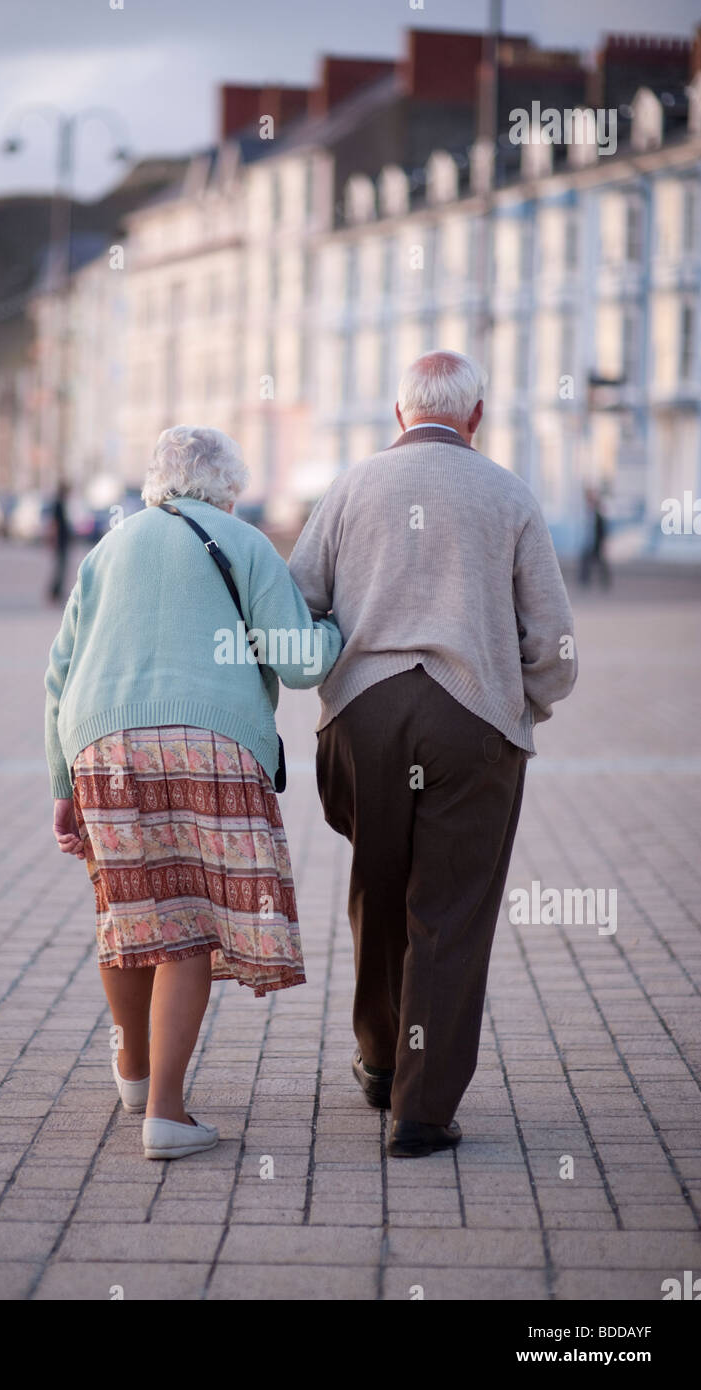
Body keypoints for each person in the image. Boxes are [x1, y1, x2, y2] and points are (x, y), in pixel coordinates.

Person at [289, 350, 578, 1158]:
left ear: (397, 413)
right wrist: (524, 705)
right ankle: (418, 1110)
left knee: (378, 889)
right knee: (447, 911)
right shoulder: (508, 493)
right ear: (475, 416)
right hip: (468, 719)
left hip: (362, 719)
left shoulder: (348, 487)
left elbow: (297, 603)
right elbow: (551, 640)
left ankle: (379, 1062)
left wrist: (334, 681)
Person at [44, 426, 341, 1160]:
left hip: (100, 742)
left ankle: (135, 1075)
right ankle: (168, 1118)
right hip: (206, 739)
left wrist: (61, 784)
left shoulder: (108, 547)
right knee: (186, 920)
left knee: (128, 907)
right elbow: (301, 664)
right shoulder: (242, 542)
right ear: (227, 487)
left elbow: (58, 671)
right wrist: (335, 630)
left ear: (155, 481)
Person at [579, 486, 610, 588]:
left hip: (596, 542)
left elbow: (602, 529)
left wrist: (603, 542)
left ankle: (605, 582)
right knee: (586, 561)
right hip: (589, 542)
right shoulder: (587, 513)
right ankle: (584, 581)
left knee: (601, 563)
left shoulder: (598, 514)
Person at [47, 480, 72, 603]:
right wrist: (54, 541)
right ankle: (54, 593)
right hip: (60, 542)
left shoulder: (62, 503)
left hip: (63, 541)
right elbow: (55, 524)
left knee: (61, 568)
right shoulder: (58, 504)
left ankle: (57, 592)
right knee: (59, 568)